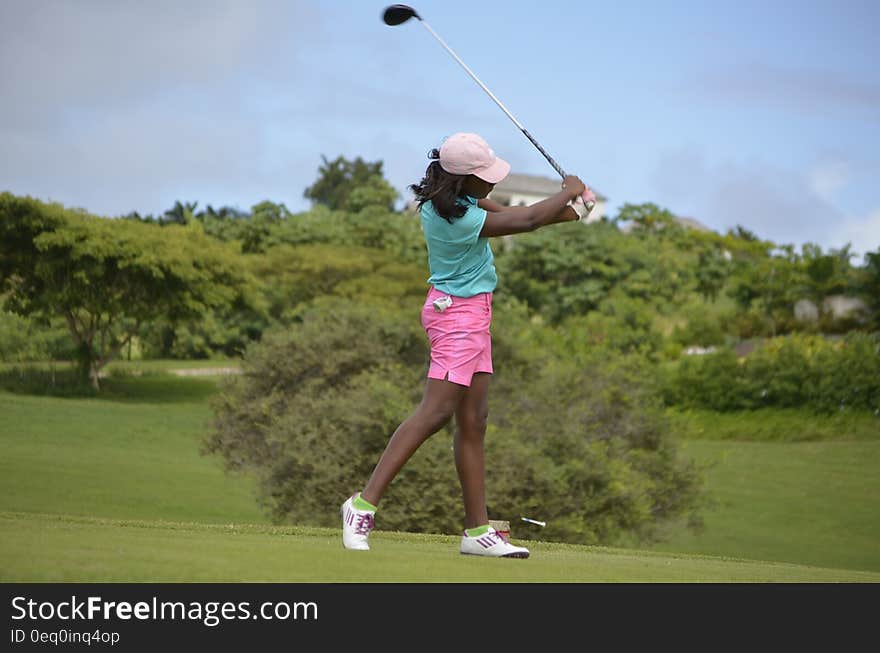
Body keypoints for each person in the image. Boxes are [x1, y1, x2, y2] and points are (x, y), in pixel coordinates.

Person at [341, 132, 593, 558]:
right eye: (485, 177)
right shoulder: (457, 218)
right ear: (463, 179)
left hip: (474, 317)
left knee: (474, 421)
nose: (491, 183)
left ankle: (477, 530)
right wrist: (567, 191)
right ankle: (361, 506)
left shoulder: (458, 202)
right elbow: (523, 221)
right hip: (455, 318)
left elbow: (523, 216)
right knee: (435, 413)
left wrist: (572, 212)